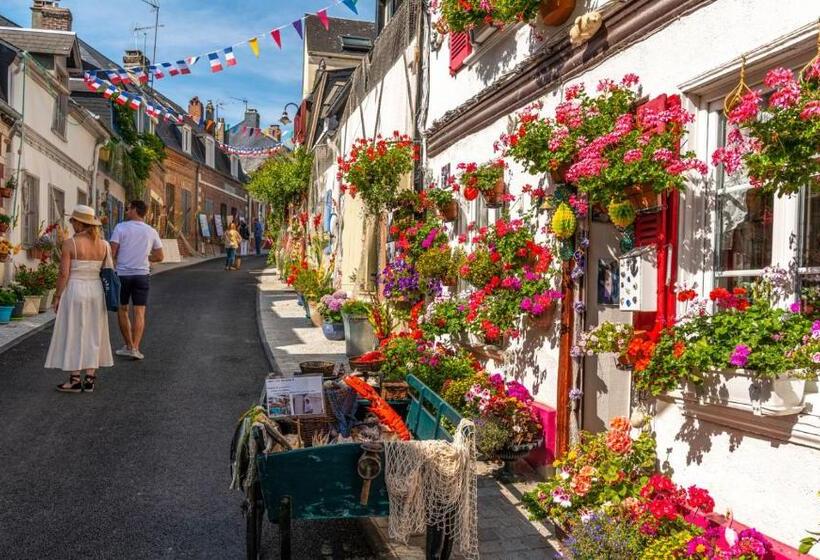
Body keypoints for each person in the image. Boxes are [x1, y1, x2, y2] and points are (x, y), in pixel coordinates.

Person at [45, 205, 114, 392]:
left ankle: (75, 379)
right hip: (96, 290)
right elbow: (108, 271)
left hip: (75, 289)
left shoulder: (70, 243)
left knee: (74, 331)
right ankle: (90, 378)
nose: (72, 224)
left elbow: (63, 273)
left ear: (79, 222)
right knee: (94, 332)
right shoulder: (104, 245)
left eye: (73, 221)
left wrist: (57, 296)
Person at [110, 200, 164, 360]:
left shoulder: (120, 227)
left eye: (128, 209)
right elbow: (160, 256)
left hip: (122, 275)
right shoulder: (151, 231)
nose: (126, 211)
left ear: (134, 210)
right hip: (142, 275)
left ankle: (129, 346)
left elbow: (111, 252)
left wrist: (116, 261)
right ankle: (136, 347)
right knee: (139, 312)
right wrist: (146, 258)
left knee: (123, 309)